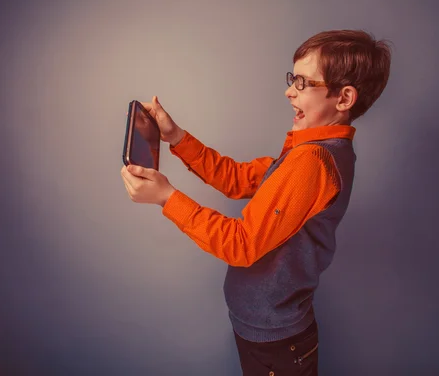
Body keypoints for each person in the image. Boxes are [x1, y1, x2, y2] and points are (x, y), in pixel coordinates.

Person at [120, 29, 392, 376]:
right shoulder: (306, 151)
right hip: (265, 331)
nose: (289, 90)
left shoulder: (312, 163)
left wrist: (166, 198)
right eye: (292, 78)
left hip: (276, 341)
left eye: (303, 83)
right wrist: (176, 137)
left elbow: (242, 244)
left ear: (344, 98)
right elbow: (238, 178)